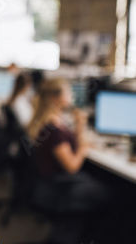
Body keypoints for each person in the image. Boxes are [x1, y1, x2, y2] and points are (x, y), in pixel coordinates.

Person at [27, 78, 112, 243]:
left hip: (54, 183)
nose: (72, 95)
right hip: (59, 187)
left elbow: (75, 144)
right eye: (69, 92)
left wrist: (80, 126)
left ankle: (77, 232)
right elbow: (72, 167)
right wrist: (83, 149)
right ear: (55, 98)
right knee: (113, 194)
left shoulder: (51, 122)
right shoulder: (53, 129)